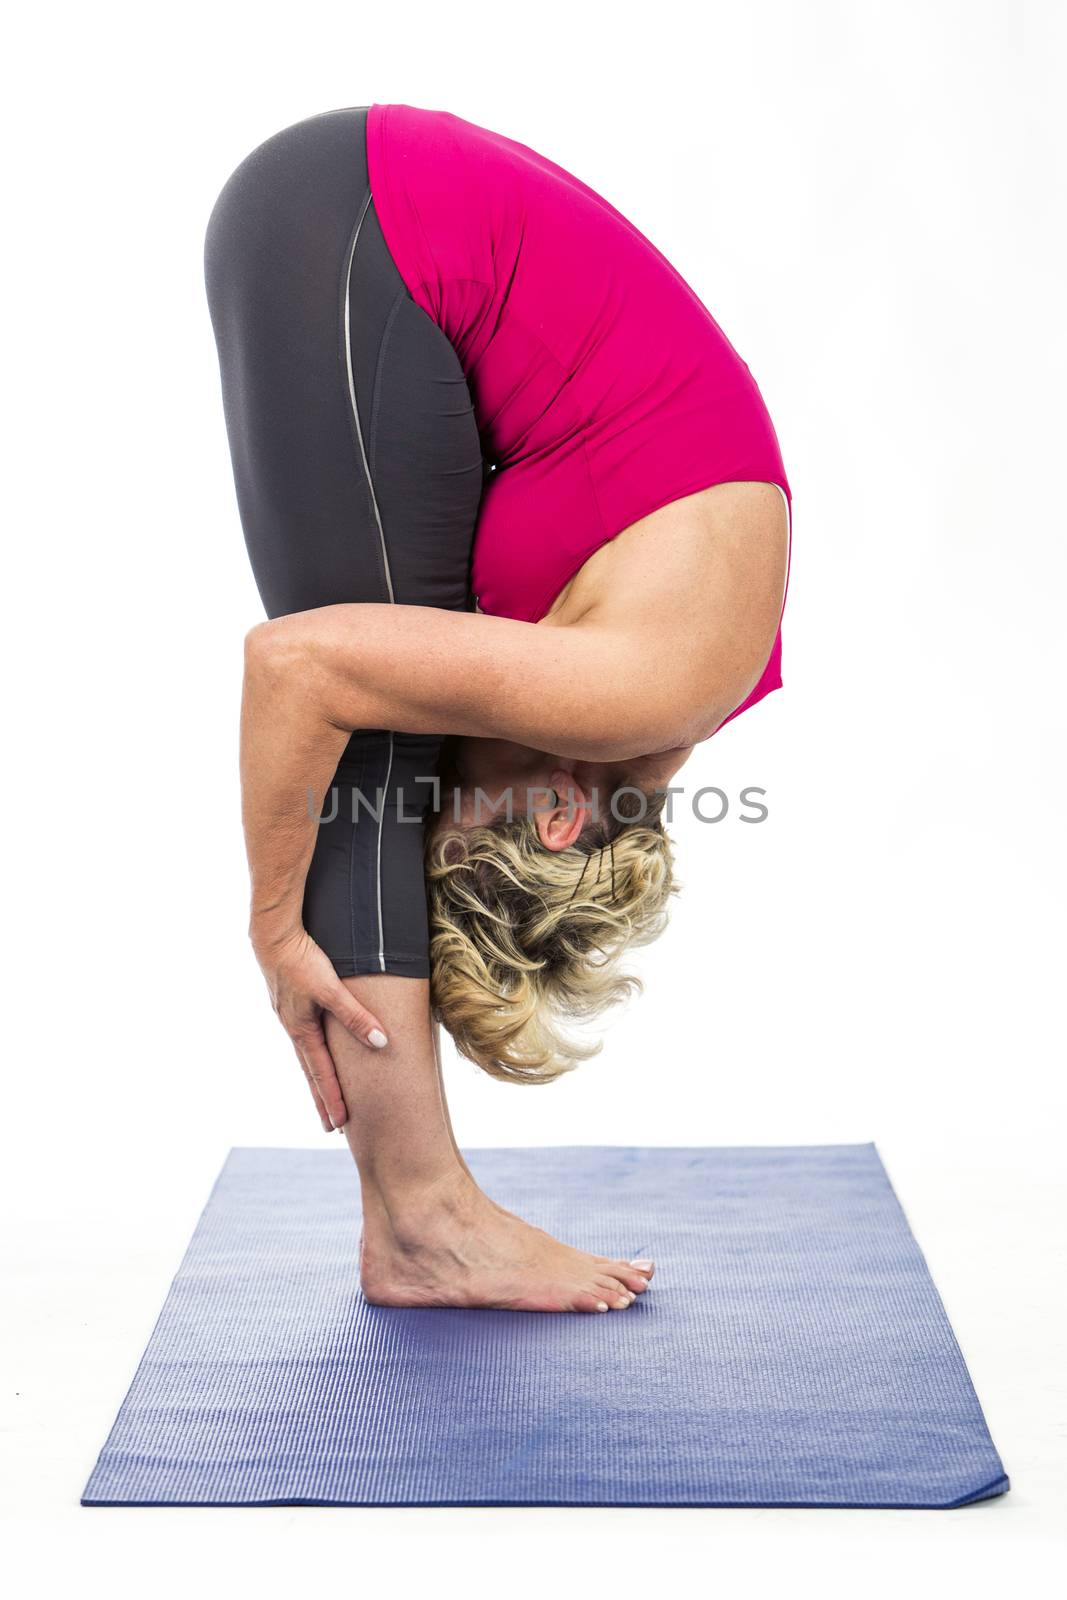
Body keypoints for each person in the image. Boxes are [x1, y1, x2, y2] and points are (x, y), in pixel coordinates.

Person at [204, 104, 791, 1312]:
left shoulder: (650, 706)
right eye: (452, 832)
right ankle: (421, 1221)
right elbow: (293, 668)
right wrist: (275, 924)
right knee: (366, 761)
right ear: (561, 817)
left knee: (380, 742)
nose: (440, 812)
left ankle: (422, 1217)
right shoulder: (634, 687)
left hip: (364, 231)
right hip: (364, 227)